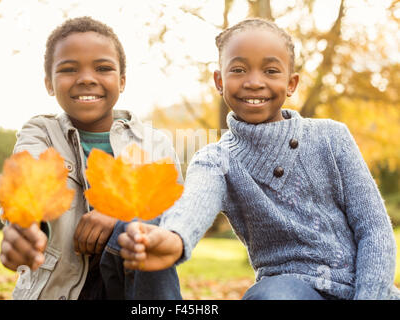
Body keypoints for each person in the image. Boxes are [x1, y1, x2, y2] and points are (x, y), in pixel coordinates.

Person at [118, 18, 400, 300]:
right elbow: (194, 206)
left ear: (291, 83)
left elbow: (374, 229)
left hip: (365, 290)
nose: (254, 82)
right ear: (219, 81)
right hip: (287, 290)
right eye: (238, 70)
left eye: (271, 71)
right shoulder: (216, 160)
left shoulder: (331, 137)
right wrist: (174, 237)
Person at [0, 16, 183, 300]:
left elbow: (177, 221)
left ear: (122, 81)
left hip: (133, 286)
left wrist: (118, 215)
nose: (86, 78)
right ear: (49, 83)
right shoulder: (40, 133)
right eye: (69, 69)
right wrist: (24, 226)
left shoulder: (154, 143)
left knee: (137, 231)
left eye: (103, 68)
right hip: (58, 291)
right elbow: (28, 182)